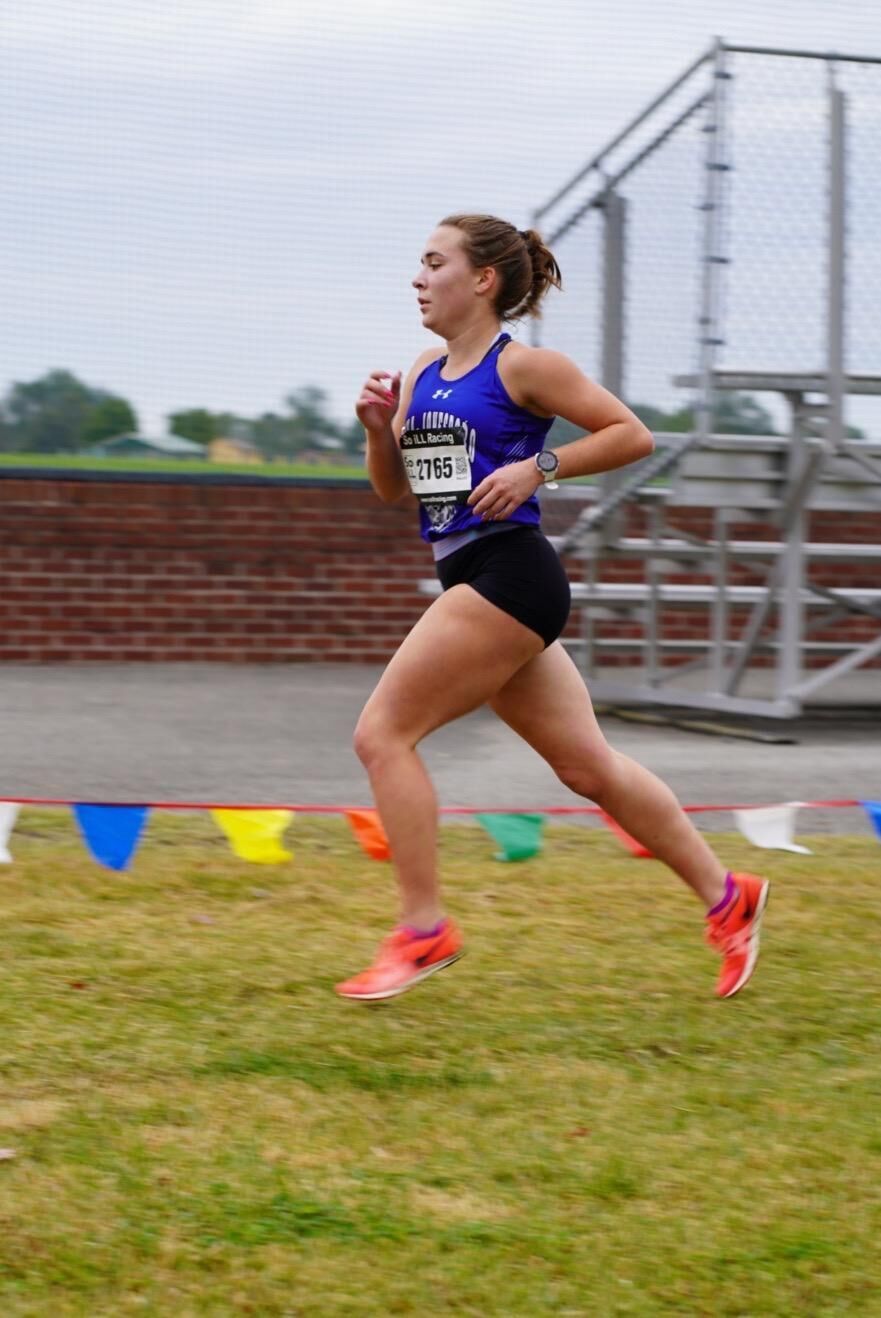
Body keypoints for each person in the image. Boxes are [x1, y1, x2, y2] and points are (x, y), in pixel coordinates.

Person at [335, 212, 768, 1004]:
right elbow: (395, 489)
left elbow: (629, 435)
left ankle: (422, 928)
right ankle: (726, 895)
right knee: (586, 767)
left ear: (482, 280)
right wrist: (374, 431)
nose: (418, 277)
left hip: (508, 576)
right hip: (472, 577)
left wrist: (540, 468)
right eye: (419, 264)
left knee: (381, 735)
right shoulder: (425, 370)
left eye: (434, 263)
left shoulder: (525, 368)